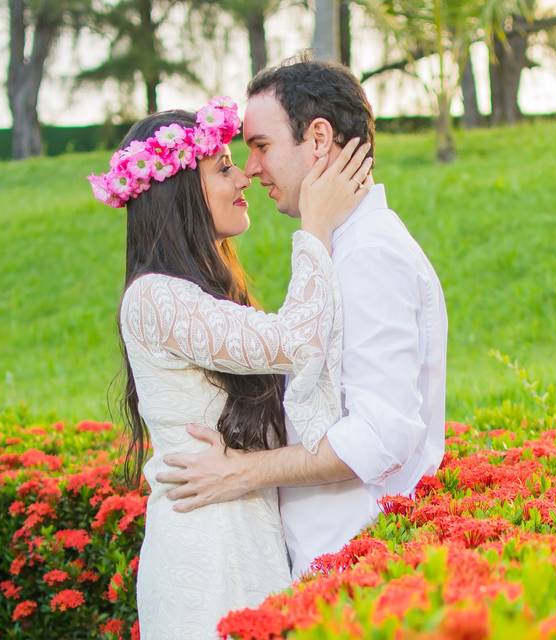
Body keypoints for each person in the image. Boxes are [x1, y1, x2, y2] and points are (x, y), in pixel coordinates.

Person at [87, 97, 371, 638]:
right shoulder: (155, 300)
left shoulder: (204, 294)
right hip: (207, 556)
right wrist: (316, 227)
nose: (242, 176)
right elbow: (298, 340)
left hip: (244, 539)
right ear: (178, 193)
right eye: (221, 168)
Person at [156, 58, 449, 579]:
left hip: (353, 564)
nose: (250, 168)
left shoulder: (369, 255)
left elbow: (381, 434)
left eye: (262, 146)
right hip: (327, 561)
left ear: (318, 139)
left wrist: (242, 472)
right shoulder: (343, 248)